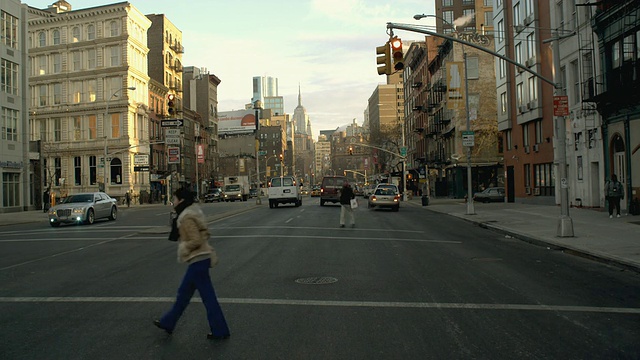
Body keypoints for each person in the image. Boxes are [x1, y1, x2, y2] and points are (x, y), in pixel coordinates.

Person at [154, 187, 230, 340]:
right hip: (200, 260)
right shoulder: (190, 213)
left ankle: (219, 330)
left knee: (205, 298)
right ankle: (169, 322)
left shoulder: (187, 217)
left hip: (198, 260)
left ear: (181, 200)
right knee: (185, 295)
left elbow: (195, 240)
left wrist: (184, 247)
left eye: (174, 199)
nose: (173, 202)